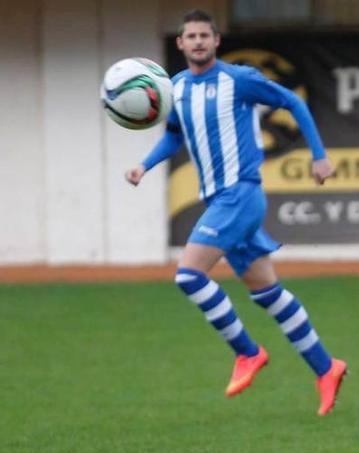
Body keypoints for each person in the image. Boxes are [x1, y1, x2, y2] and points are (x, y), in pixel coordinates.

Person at [126, 9, 347, 416]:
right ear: (180, 44)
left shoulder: (238, 79)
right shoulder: (176, 89)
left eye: (203, 36)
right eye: (189, 36)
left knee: (189, 276)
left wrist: (319, 156)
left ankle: (247, 352)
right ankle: (326, 367)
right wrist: (145, 164)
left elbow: (292, 102)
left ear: (215, 41)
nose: (196, 41)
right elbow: (174, 136)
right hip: (219, 201)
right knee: (268, 294)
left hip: (240, 195)